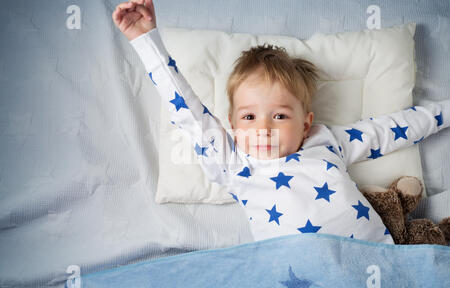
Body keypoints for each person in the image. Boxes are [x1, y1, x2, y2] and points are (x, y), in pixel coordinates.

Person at [113, 0, 450, 244]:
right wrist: (146, 40)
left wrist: (445, 112)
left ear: (306, 123)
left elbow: (393, 129)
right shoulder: (232, 162)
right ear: (231, 124)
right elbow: (184, 108)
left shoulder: (325, 141)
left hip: (378, 266)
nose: (263, 128)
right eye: (248, 117)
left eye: (280, 116)